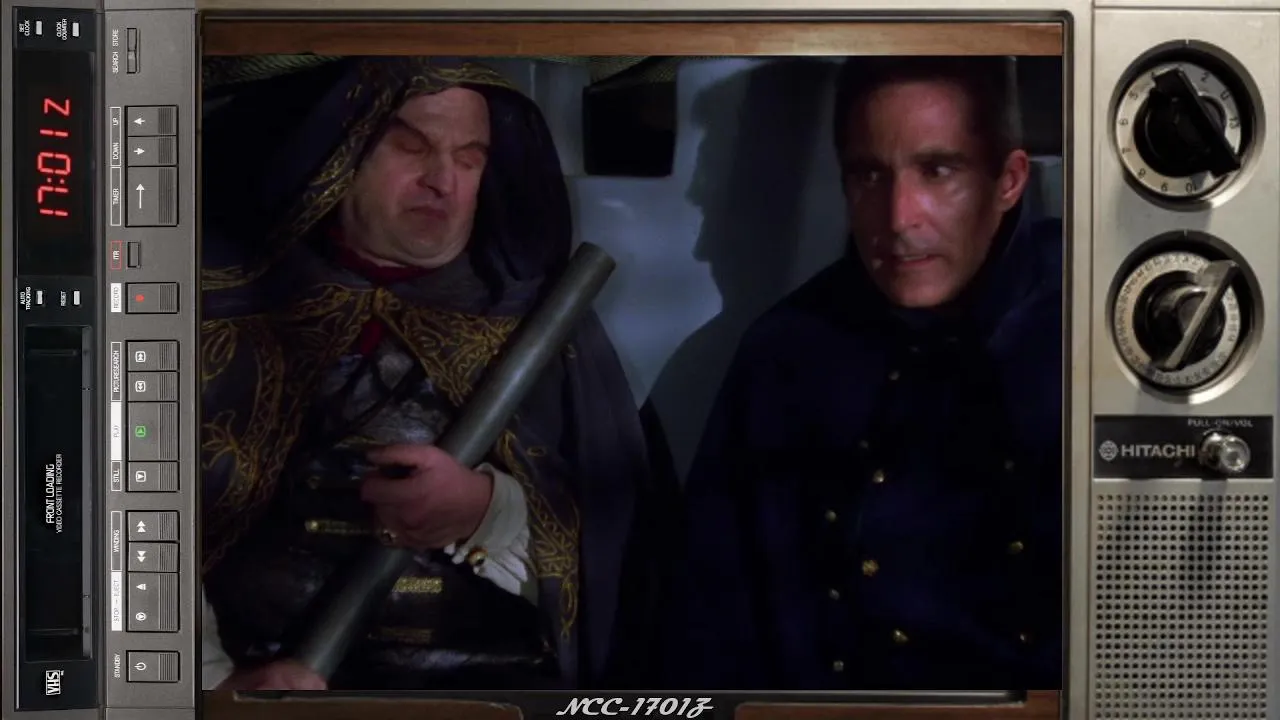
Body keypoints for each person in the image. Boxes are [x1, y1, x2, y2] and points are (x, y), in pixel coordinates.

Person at [197, 57, 664, 692]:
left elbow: (628, 560)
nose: (443, 181)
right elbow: (137, 527)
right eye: (411, 148)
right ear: (342, 154)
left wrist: (485, 513)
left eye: (469, 159)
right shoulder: (231, 317)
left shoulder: (550, 336)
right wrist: (215, 684)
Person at [667, 56, 1063, 690]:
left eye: (938, 171)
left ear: (1009, 179)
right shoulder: (786, 355)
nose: (899, 217)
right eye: (869, 175)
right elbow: (710, 626)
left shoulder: (1084, 330)